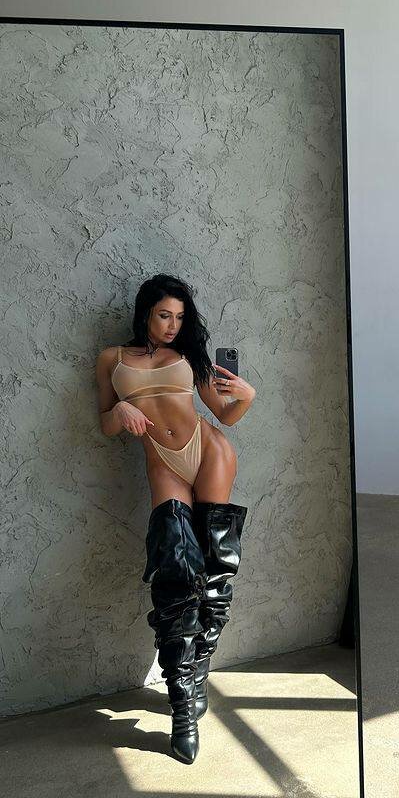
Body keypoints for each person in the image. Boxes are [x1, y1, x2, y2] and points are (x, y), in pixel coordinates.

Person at [95, 274, 256, 764]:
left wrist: (246, 395)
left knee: (216, 567)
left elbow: (225, 415)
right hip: (163, 464)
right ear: (145, 312)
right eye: (165, 315)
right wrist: (121, 411)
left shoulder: (190, 356)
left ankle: (197, 673)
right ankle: (183, 704)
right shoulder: (111, 359)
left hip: (209, 451)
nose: (172, 325)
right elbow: (105, 423)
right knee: (176, 574)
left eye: (180, 318)